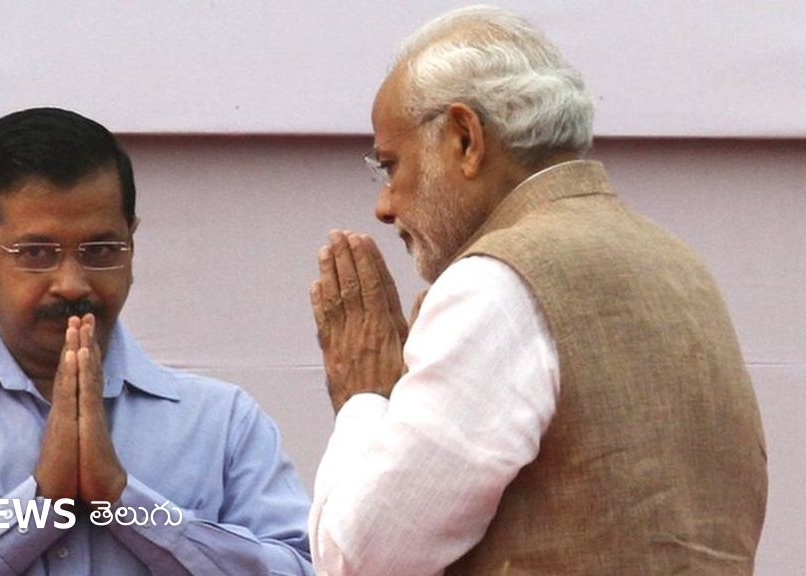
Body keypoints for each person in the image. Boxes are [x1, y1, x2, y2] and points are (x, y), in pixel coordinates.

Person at [308, 5, 767, 575]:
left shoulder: (496, 284)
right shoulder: (680, 266)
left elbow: (365, 557)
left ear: (465, 139)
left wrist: (365, 398)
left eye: (390, 166)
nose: (384, 206)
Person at [0, 107, 314, 575]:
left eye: (100, 250)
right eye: (37, 253)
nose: (72, 284)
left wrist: (126, 502)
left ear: (132, 245)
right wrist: (39, 505)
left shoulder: (222, 423)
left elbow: (305, 567)